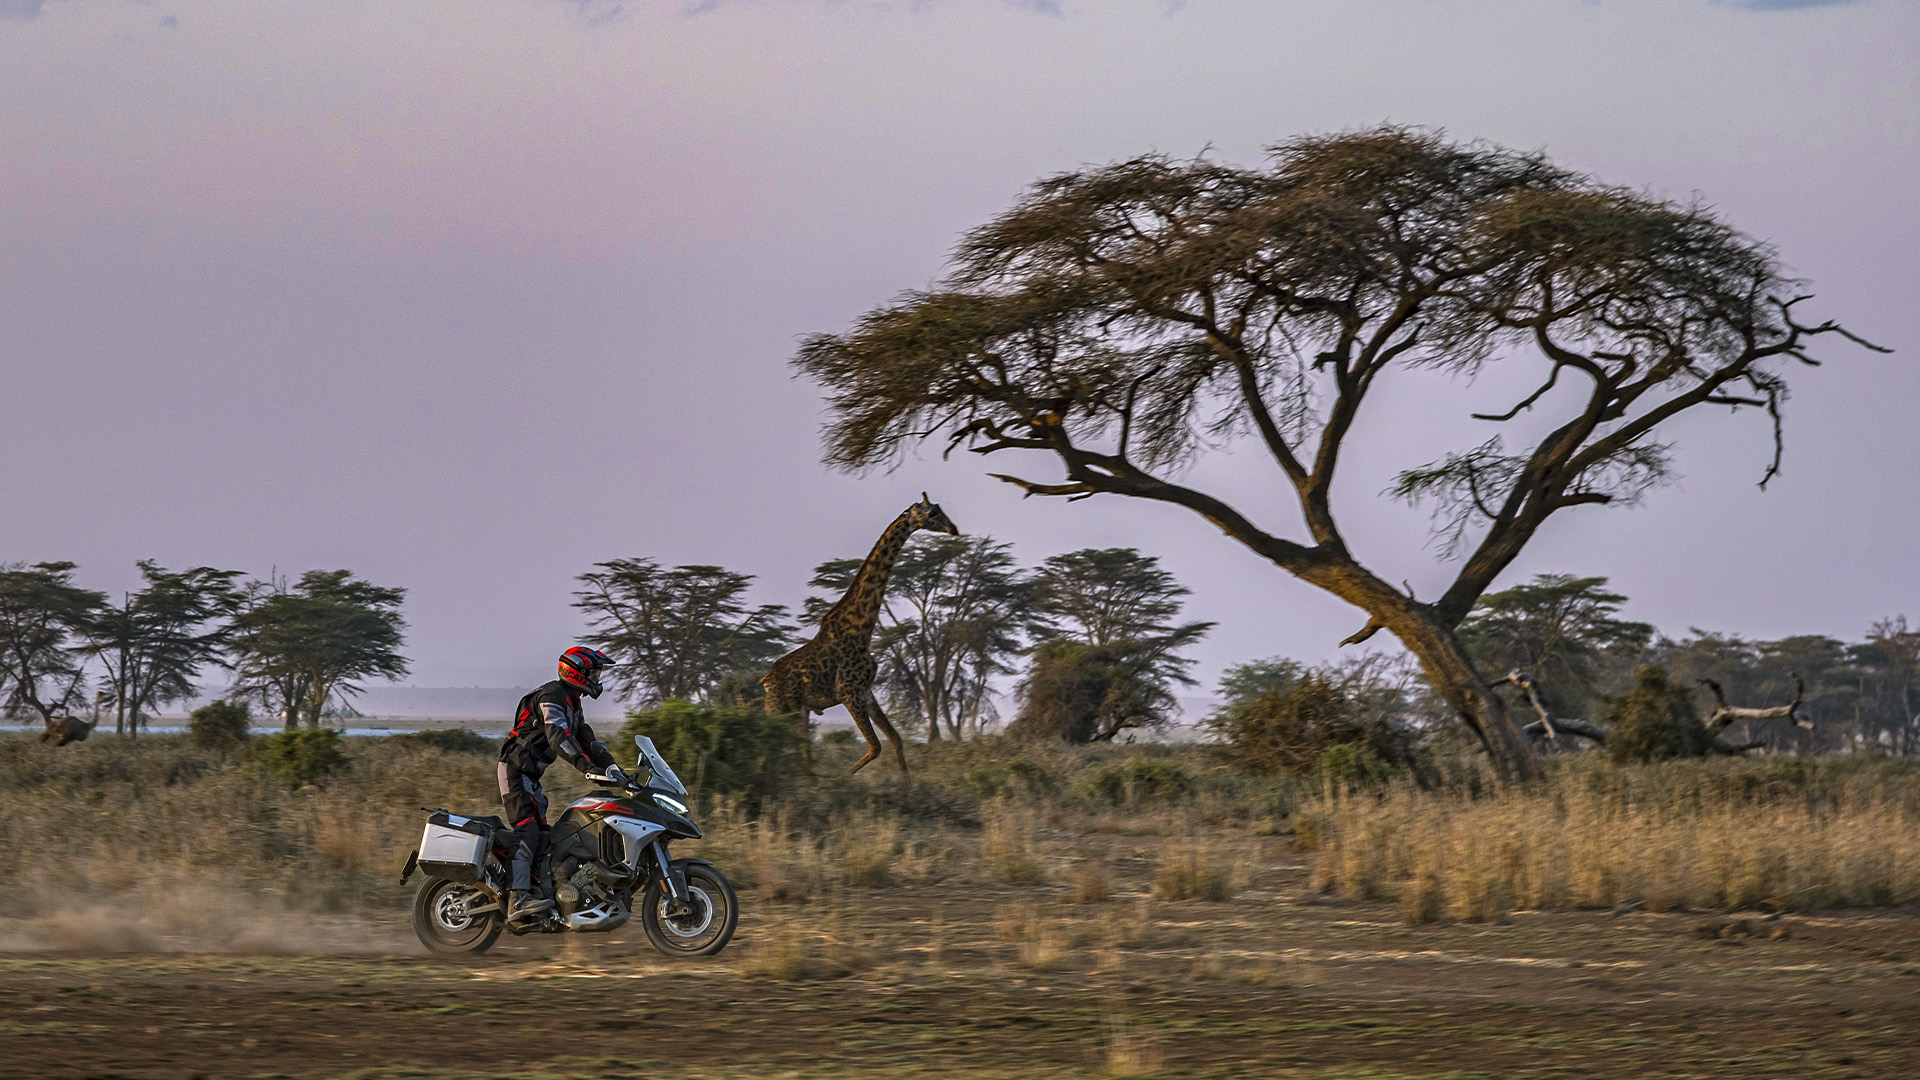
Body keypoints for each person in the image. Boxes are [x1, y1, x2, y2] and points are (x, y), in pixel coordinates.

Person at [498, 646, 627, 923]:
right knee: (527, 831)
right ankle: (517, 898)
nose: (597, 677)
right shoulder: (551, 696)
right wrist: (586, 768)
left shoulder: (572, 702)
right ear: (576, 672)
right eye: (593, 672)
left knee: (546, 836)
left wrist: (616, 770)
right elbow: (559, 738)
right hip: (515, 771)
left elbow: (586, 740)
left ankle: (542, 893)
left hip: (530, 776)